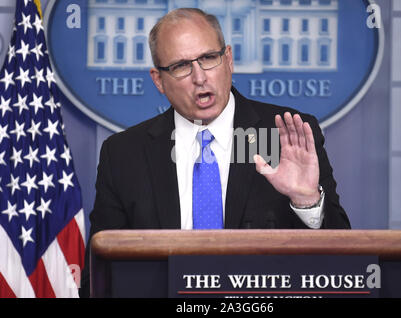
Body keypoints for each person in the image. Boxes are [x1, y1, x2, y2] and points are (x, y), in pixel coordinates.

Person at [80, 8, 350, 296]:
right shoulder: (125, 153)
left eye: (209, 58)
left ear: (229, 59)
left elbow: (342, 266)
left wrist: (306, 200)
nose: (200, 77)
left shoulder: (278, 136)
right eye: (182, 65)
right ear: (158, 80)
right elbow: (101, 272)